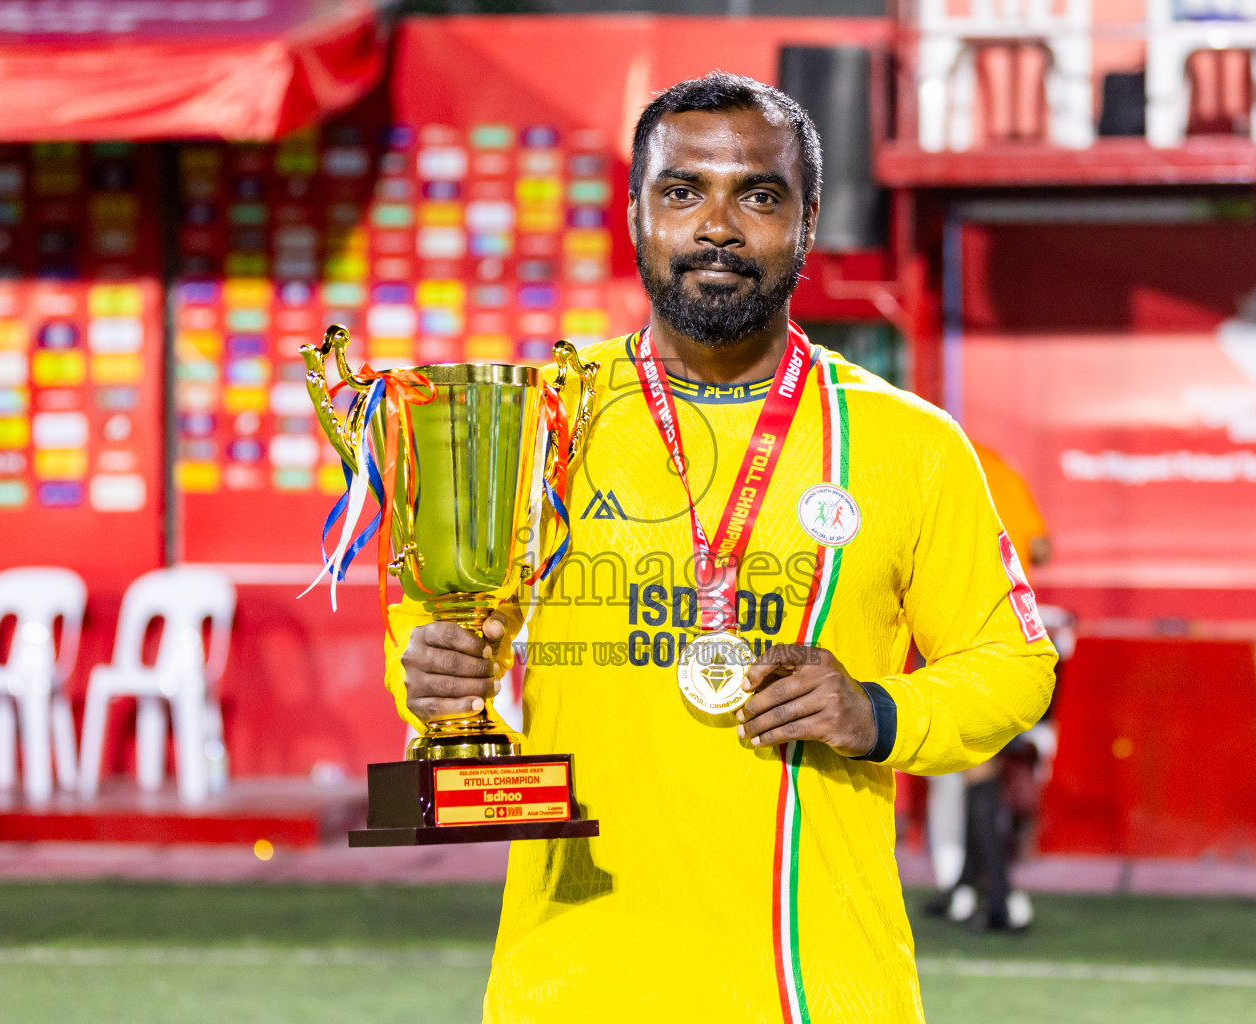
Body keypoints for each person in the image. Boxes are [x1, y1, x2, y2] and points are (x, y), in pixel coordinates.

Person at [388, 73, 1056, 1022]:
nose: (717, 226)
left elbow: (1014, 661)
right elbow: (428, 624)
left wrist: (877, 709)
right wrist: (435, 680)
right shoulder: (534, 423)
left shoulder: (907, 444)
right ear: (633, 214)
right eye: (681, 190)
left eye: (758, 194)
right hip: (575, 985)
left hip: (817, 988)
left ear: (808, 220)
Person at [923, 443, 1051, 933]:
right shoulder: (1000, 468)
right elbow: (1040, 547)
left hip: (962, 627)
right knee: (978, 765)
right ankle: (969, 888)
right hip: (1013, 629)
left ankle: (998, 895)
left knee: (974, 771)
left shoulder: (938, 460)